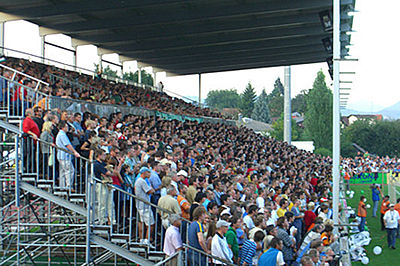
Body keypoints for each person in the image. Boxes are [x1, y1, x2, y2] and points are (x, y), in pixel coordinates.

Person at [55, 120, 80, 190]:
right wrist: (75, 152)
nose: (67, 128)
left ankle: (62, 186)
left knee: (63, 171)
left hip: (61, 156)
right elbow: (67, 145)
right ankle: (68, 186)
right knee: (70, 170)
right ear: (63, 127)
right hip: (64, 156)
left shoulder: (60, 134)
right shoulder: (62, 134)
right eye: (66, 126)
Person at [134, 167, 155, 246]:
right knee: (151, 224)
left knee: (142, 222)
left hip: (139, 205)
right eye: (148, 172)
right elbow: (150, 191)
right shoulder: (142, 181)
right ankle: (146, 240)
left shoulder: (138, 181)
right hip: (144, 206)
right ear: (145, 172)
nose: (149, 174)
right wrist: (152, 189)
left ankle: (141, 239)